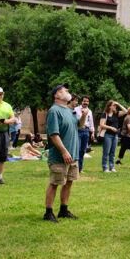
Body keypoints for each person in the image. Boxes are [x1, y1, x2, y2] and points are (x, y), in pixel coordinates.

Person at [43, 84, 80, 222]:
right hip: (60, 156)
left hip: (73, 155)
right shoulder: (54, 111)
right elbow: (54, 134)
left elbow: (79, 125)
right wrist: (64, 151)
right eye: (64, 90)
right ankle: (48, 212)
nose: (68, 91)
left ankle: (63, 210)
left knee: (69, 182)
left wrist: (85, 115)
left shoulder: (69, 110)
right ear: (57, 95)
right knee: (55, 183)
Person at [99, 100, 125, 173]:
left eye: (115, 106)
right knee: (106, 152)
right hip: (107, 135)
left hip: (115, 135)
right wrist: (110, 127)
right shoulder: (105, 114)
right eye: (114, 105)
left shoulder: (116, 114)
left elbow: (126, 111)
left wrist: (118, 103)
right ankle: (105, 167)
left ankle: (112, 167)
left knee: (113, 152)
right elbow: (101, 124)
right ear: (109, 106)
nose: (115, 106)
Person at [74, 96, 94, 171]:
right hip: (78, 130)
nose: (85, 103)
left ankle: (80, 168)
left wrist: (92, 133)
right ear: (81, 102)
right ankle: (75, 167)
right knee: (78, 149)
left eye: (87, 101)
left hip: (86, 131)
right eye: (84, 101)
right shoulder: (76, 109)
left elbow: (91, 122)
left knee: (83, 150)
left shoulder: (90, 111)